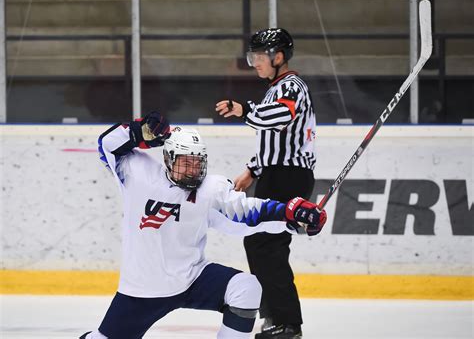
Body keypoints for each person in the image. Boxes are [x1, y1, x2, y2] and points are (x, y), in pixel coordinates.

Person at [79, 111, 327, 339]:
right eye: (185, 163)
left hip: (192, 278)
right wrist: (139, 131)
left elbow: (245, 214)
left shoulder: (210, 189)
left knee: (246, 288)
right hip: (143, 289)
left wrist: (290, 215)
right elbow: (107, 144)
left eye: (197, 163)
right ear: (168, 159)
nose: (193, 170)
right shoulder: (139, 173)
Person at [215, 28, 317, 338]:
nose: (255, 63)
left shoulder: (292, 86)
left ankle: (287, 323)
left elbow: (279, 118)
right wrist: (253, 170)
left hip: (289, 176)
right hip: (276, 174)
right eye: (253, 57)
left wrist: (244, 109)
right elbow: (273, 140)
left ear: (279, 57)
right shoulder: (276, 88)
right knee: (259, 243)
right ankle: (275, 317)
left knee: (268, 245)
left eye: (260, 57)